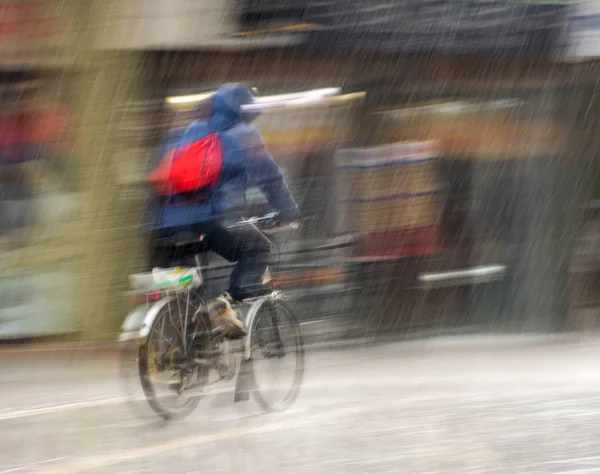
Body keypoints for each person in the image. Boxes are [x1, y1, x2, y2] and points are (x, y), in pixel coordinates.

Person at [146, 83, 300, 337]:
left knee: (193, 288)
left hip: (167, 225)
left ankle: (190, 346)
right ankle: (226, 303)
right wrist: (288, 212)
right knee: (257, 247)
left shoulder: (187, 132)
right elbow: (271, 179)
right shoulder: (244, 135)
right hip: (208, 220)